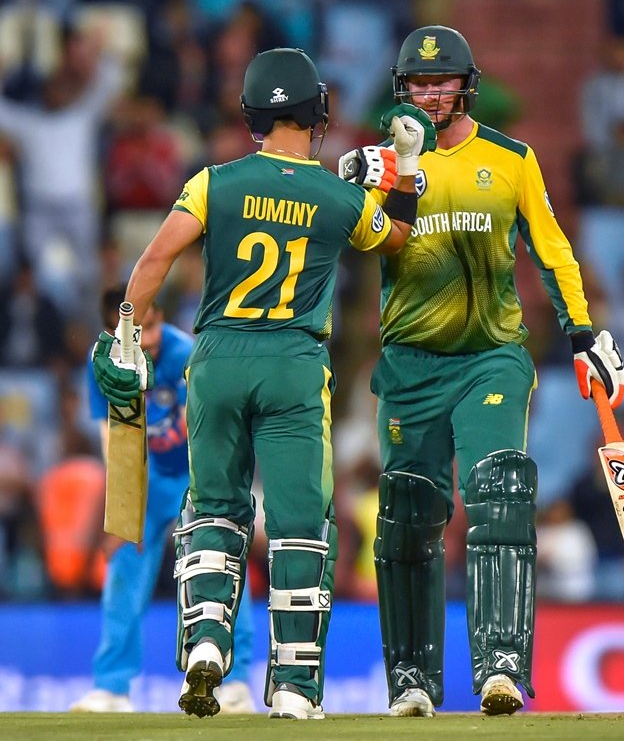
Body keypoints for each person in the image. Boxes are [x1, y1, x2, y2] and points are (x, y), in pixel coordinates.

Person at [91, 47, 432, 720]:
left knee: (214, 509)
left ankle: (207, 647)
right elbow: (396, 239)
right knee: (299, 525)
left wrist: (126, 333)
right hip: (293, 365)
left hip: (215, 359)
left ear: (253, 114)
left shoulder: (214, 181)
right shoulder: (337, 196)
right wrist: (406, 170)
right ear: (314, 114)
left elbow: (156, 257)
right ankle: (293, 690)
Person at [339, 25, 624, 717]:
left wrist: (583, 332)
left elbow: (552, 249)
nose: (429, 94)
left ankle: (501, 665)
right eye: (417, 83)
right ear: (400, 90)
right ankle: (411, 681)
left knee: (499, 488)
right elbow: (370, 237)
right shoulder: (379, 165)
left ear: (466, 85)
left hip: (491, 358)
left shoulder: (512, 159)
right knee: (408, 512)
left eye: (441, 82)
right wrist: (391, 171)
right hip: (409, 364)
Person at [72, 286, 256, 713]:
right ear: (110, 330)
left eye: (153, 325)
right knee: (122, 568)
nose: (150, 339)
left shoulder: (186, 354)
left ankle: (236, 681)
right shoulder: (101, 363)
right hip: (147, 478)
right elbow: (109, 437)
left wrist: (211, 500)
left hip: (198, 470)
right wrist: (125, 508)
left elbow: (207, 432)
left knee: (221, 561)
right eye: (139, 331)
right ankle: (112, 688)